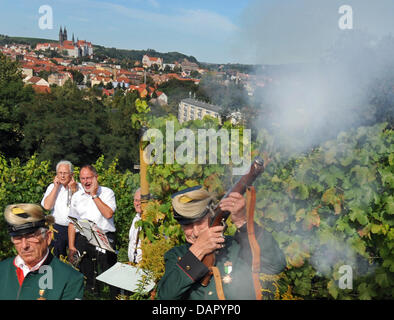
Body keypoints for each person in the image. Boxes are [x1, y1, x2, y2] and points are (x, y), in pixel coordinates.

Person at [157, 186, 287, 300]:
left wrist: (241, 221)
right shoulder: (177, 255)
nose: (195, 232)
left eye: (200, 222)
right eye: (188, 225)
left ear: (212, 216)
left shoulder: (236, 245)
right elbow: (165, 296)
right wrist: (197, 251)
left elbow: (275, 265)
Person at [0, 203, 84, 300]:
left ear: (48, 237)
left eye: (31, 237)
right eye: (18, 238)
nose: (24, 246)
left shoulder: (70, 278)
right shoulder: (2, 270)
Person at [68, 164, 118, 298]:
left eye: (88, 178)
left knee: (110, 272)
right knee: (87, 273)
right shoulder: (77, 196)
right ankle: (92, 296)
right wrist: (72, 246)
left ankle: (115, 297)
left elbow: (108, 214)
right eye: (82, 178)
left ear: (96, 177)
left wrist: (94, 195)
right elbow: (72, 222)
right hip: (84, 237)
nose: (85, 182)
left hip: (105, 236)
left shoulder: (107, 192)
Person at [41, 160, 80, 258]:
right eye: (60, 173)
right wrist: (56, 187)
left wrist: (74, 191)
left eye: (65, 173)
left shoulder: (80, 188)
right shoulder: (52, 187)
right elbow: (47, 206)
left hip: (76, 229)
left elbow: (81, 209)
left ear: (72, 174)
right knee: (55, 258)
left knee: (75, 258)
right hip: (57, 228)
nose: (62, 176)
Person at [128, 188, 142, 264]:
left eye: (140, 201)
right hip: (133, 265)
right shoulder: (136, 218)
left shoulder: (153, 221)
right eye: (136, 200)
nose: (137, 203)